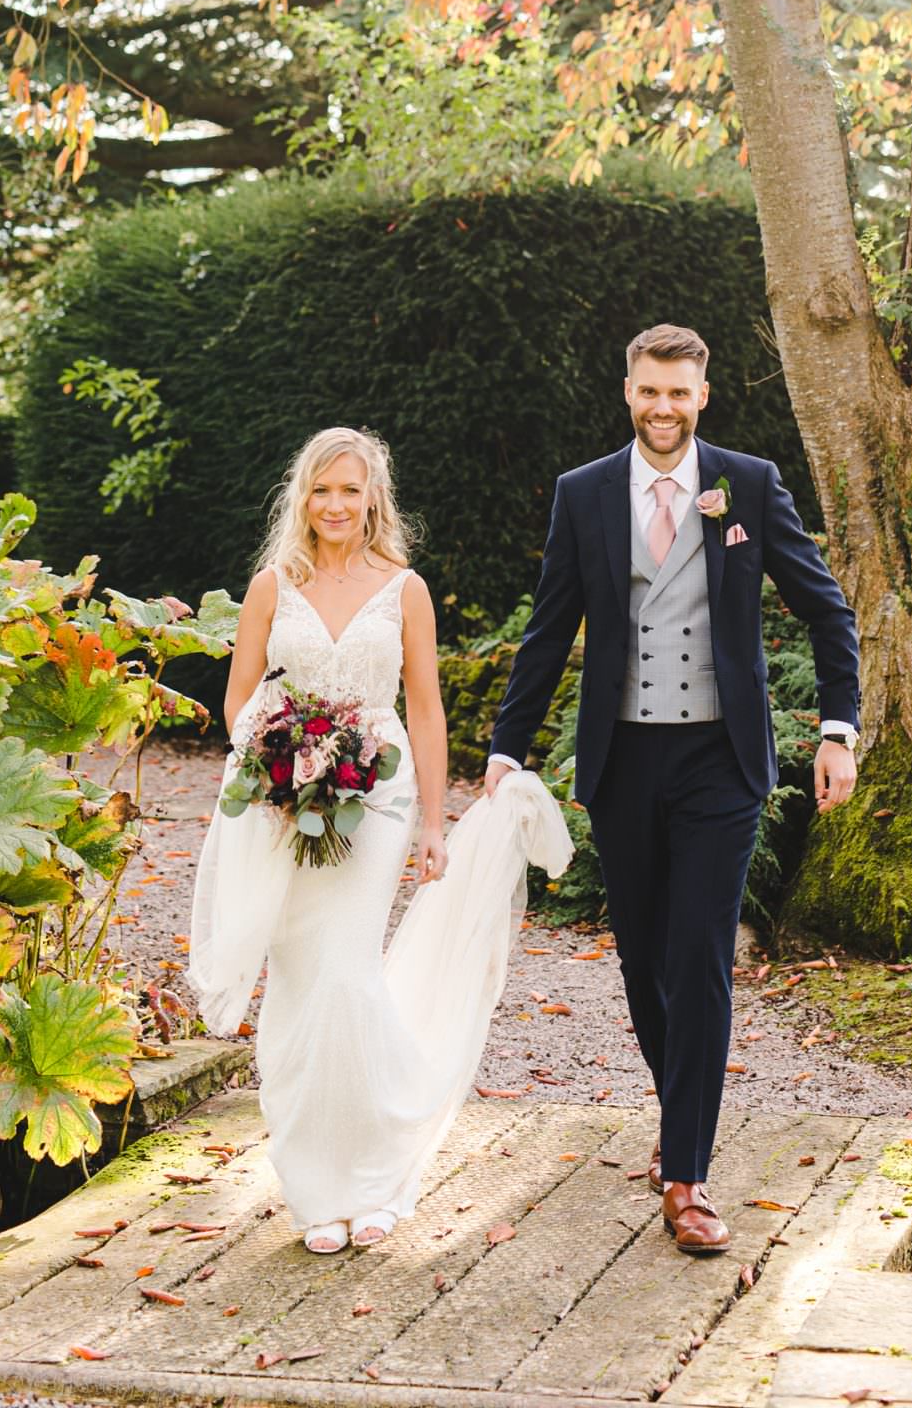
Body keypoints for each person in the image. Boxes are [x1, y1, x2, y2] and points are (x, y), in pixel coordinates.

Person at [485, 323, 861, 1257]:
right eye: (649, 392)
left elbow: (827, 610)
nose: (664, 408)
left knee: (699, 957)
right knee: (644, 962)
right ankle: (676, 1112)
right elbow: (548, 632)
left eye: (679, 394)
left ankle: (687, 1173)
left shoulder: (748, 484)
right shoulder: (584, 495)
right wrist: (505, 751)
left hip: (719, 763)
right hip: (621, 760)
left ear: (702, 395)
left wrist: (836, 730)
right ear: (628, 393)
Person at [189, 425, 570, 1256]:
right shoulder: (270, 585)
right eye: (322, 490)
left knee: (346, 978)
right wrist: (277, 765)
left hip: (377, 802)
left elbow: (426, 708)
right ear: (303, 497)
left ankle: (373, 1175)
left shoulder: (404, 589)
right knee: (296, 986)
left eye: (350, 490)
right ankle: (312, 1192)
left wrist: (435, 820)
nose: (335, 505)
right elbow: (238, 699)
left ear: (373, 499)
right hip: (280, 806)